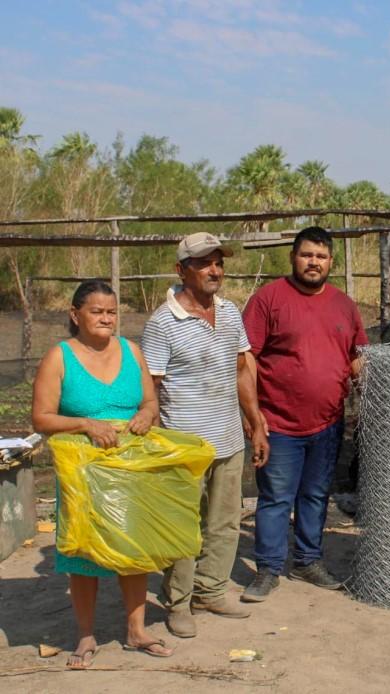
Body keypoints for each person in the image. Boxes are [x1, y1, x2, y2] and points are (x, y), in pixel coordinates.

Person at [32, 280, 173, 668]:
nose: (106, 319)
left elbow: (150, 401)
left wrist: (146, 414)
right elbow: (41, 418)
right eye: (97, 311)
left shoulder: (132, 351)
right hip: (81, 474)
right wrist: (85, 424)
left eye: (111, 312)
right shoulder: (59, 357)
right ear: (75, 315)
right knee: (82, 552)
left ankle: (137, 630)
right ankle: (85, 635)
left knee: (133, 549)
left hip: (130, 471)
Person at [141, 231, 269, 639]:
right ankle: (178, 602)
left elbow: (241, 370)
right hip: (184, 447)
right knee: (183, 527)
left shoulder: (230, 313)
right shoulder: (162, 324)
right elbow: (151, 388)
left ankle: (210, 590)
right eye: (204, 263)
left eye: (219, 263)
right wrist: (155, 446)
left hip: (228, 439)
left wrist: (255, 422)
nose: (215, 270)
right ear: (181, 270)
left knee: (225, 521)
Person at [241, 226, 368, 602]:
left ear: (331, 262)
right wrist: (253, 417)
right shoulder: (269, 299)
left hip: (328, 423)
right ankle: (267, 568)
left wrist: (373, 397)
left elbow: (357, 358)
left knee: (315, 495)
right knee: (276, 497)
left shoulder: (344, 305)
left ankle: (307, 561)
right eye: (307, 255)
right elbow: (246, 360)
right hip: (278, 423)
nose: (314, 262)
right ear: (293, 257)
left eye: (321, 256)